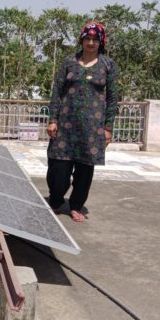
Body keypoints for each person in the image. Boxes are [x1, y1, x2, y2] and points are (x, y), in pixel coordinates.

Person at [45, 21, 118, 222]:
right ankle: (57, 200)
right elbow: (57, 92)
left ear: (100, 42)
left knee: (85, 171)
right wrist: (53, 119)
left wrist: (108, 127)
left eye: (95, 39)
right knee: (58, 168)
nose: (91, 43)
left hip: (92, 128)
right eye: (88, 38)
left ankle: (76, 205)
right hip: (65, 127)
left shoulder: (108, 65)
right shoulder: (68, 62)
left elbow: (112, 98)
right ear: (82, 40)